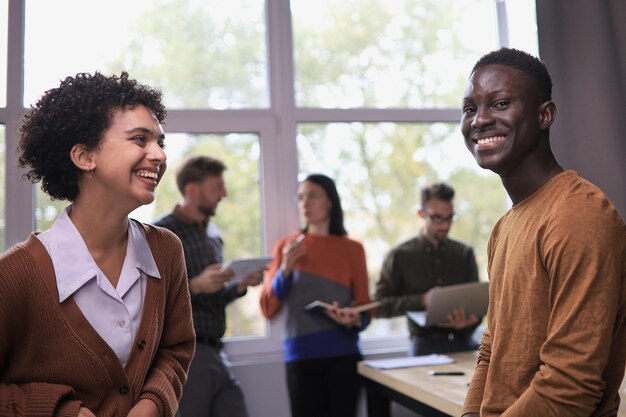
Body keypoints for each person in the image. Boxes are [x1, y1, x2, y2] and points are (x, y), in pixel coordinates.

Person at [0, 72, 195, 417]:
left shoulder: (166, 251)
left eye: (160, 143)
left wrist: (152, 403)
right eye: (140, 139)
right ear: (85, 156)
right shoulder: (15, 275)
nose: (159, 155)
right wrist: (59, 411)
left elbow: (175, 349)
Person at [460, 48, 626, 417]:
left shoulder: (580, 214)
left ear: (544, 115)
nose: (480, 120)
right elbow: (492, 347)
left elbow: (571, 386)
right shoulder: (504, 228)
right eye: (470, 108)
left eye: (500, 104)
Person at [154, 155, 264, 417]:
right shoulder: (161, 233)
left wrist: (238, 285)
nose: (224, 194)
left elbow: (212, 298)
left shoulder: (214, 237)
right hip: (186, 354)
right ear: (192, 190)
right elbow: (151, 298)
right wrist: (195, 286)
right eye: (217, 187)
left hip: (216, 351)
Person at [260, 174, 372, 417]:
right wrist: (286, 269)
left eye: (312, 196)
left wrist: (353, 320)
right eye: (301, 198)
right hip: (301, 358)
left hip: (344, 357)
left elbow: (365, 310)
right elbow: (268, 308)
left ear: (330, 201)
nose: (305, 204)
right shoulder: (287, 247)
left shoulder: (353, 249)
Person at [375, 183, 481, 356]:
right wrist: (422, 300)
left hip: (464, 343)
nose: (445, 225)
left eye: (449, 217)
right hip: (423, 347)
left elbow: (478, 304)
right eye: (437, 218)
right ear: (421, 214)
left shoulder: (465, 253)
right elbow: (379, 306)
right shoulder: (399, 255)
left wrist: (469, 321)